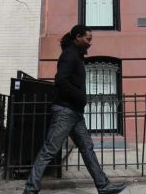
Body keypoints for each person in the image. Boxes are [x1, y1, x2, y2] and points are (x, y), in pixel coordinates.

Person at [23, 25, 127, 194]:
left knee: (87, 148)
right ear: (78, 37)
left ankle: (103, 186)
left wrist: (79, 101)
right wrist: (81, 97)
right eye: (88, 39)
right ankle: (30, 189)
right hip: (65, 111)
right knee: (49, 150)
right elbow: (60, 81)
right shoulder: (69, 55)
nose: (89, 43)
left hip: (75, 113)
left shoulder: (76, 56)